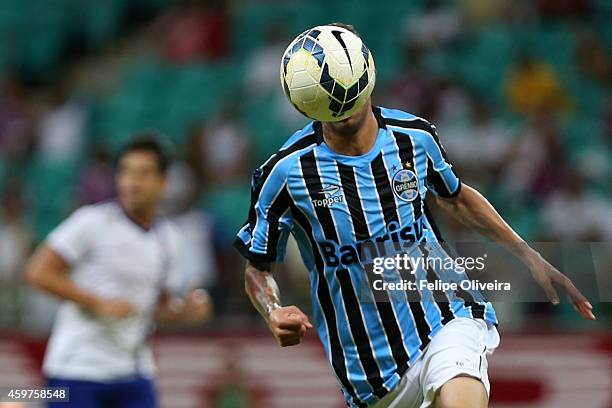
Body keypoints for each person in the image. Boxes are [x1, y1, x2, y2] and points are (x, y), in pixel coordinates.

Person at [233, 23, 595, 408]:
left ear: (366, 74)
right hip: (371, 368)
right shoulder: (285, 172)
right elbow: (257, 267)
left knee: (460, 390)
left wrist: (529, 254)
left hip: (446, 313)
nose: (345, 114)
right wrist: (272, 310)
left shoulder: (414, 136)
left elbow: (455, 197)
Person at [26, 137, 213, 408]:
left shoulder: (169, 238)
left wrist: (187, 312)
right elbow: (37, 272)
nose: (132, 182)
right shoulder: (92, 222)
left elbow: (156, 308)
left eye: (143, 173)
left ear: (164, 182)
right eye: (125, 172)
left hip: (134, 369)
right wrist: (97, 302)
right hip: (79, 366)